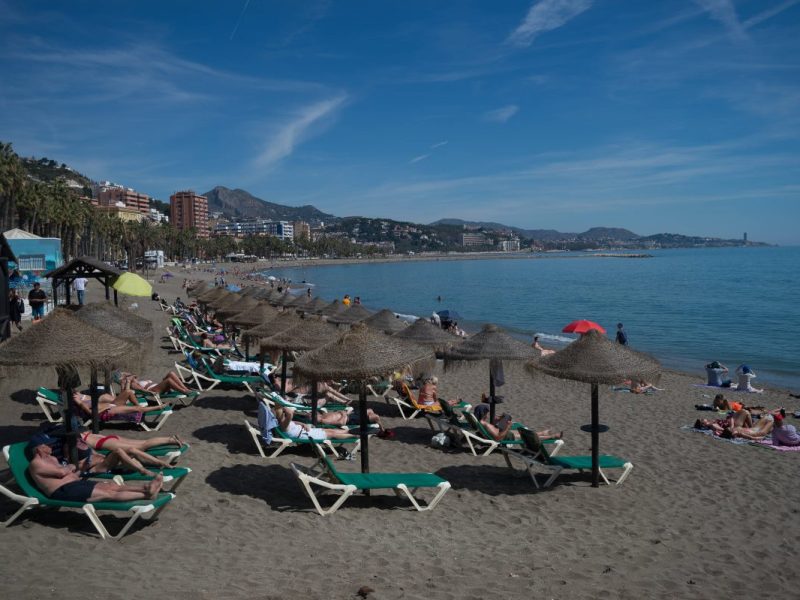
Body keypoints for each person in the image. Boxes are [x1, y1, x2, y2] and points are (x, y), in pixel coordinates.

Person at [27, 440, 163, 503]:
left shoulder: (51, 459)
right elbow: (62, 472)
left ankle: (145, 488)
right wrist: (68, 468)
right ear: (39, 448)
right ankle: (146, 495)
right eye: (46, 445)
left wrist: (72, 468)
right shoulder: (36, 463)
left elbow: (70, 470)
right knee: (107, 494)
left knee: (112, 486)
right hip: (63, 490)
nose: (50, 446)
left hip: (76, 482)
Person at [274, 407, 357, 441]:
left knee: (329, 430)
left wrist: (303, 424)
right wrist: (284, 407)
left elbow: (294, 422)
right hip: (305, 435)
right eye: (283, 414)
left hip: (306, 431)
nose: (284, 414)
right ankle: (354, 435)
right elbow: (290, 415)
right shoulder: (284, 424)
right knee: (331, 434)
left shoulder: (283, 422)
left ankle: (351, 431)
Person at [478, 412, 562, 442]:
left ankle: (542, 433)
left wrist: (497, 421)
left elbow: (494, 431)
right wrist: (508, 427)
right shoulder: (486, 425)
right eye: (486, 412)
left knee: (525, 432)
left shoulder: (482, 423)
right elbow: (498, 438)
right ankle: (552, 436)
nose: (488, 414)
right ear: (484, 414)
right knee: (530, 437)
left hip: (505, 433)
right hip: (506, 437)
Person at [314, 407, 394, 439]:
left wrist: (343, 413)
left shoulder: (324, 416)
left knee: (372, 412)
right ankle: (381, 428)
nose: (314, 414)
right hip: (351, 419)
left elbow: (340, 419)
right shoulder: (324, 419)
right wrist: (343, 413)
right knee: (373, 414)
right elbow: (341, 423)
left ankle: (378, 426)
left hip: (350, 417)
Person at [115, 369, 193, 395]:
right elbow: (142, 390)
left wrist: (127, 374)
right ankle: (184, 391)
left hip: (157, 386)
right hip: (154, 390)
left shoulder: (134, 380)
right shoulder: (132, 384)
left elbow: (133, 375)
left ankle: (185, 388)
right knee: (168, 380)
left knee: (171, 373)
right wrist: (151, 393)